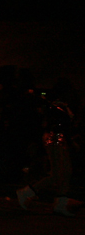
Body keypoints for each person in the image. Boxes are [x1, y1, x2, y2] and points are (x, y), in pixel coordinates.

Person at [16, 86, 79, 217]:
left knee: (64, 172)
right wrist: (70, 140)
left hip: (58, 140)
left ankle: (58, 203)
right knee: (60, 173)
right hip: (55, 140)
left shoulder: (59, 106)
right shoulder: (57, 107)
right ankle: (28, 192)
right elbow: (59, 125)